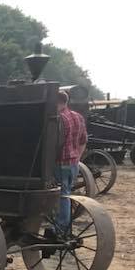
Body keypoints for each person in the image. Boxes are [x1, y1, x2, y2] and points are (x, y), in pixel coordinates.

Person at [55, 91, 88, 232]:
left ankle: (61, 230)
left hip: (60, 164)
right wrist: (77, 157)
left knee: (62, 197)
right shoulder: (78, 117)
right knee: (66, 194)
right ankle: (64, 228)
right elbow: (83, 141)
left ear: (56, 102)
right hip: (73, 163)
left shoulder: (58, 119)